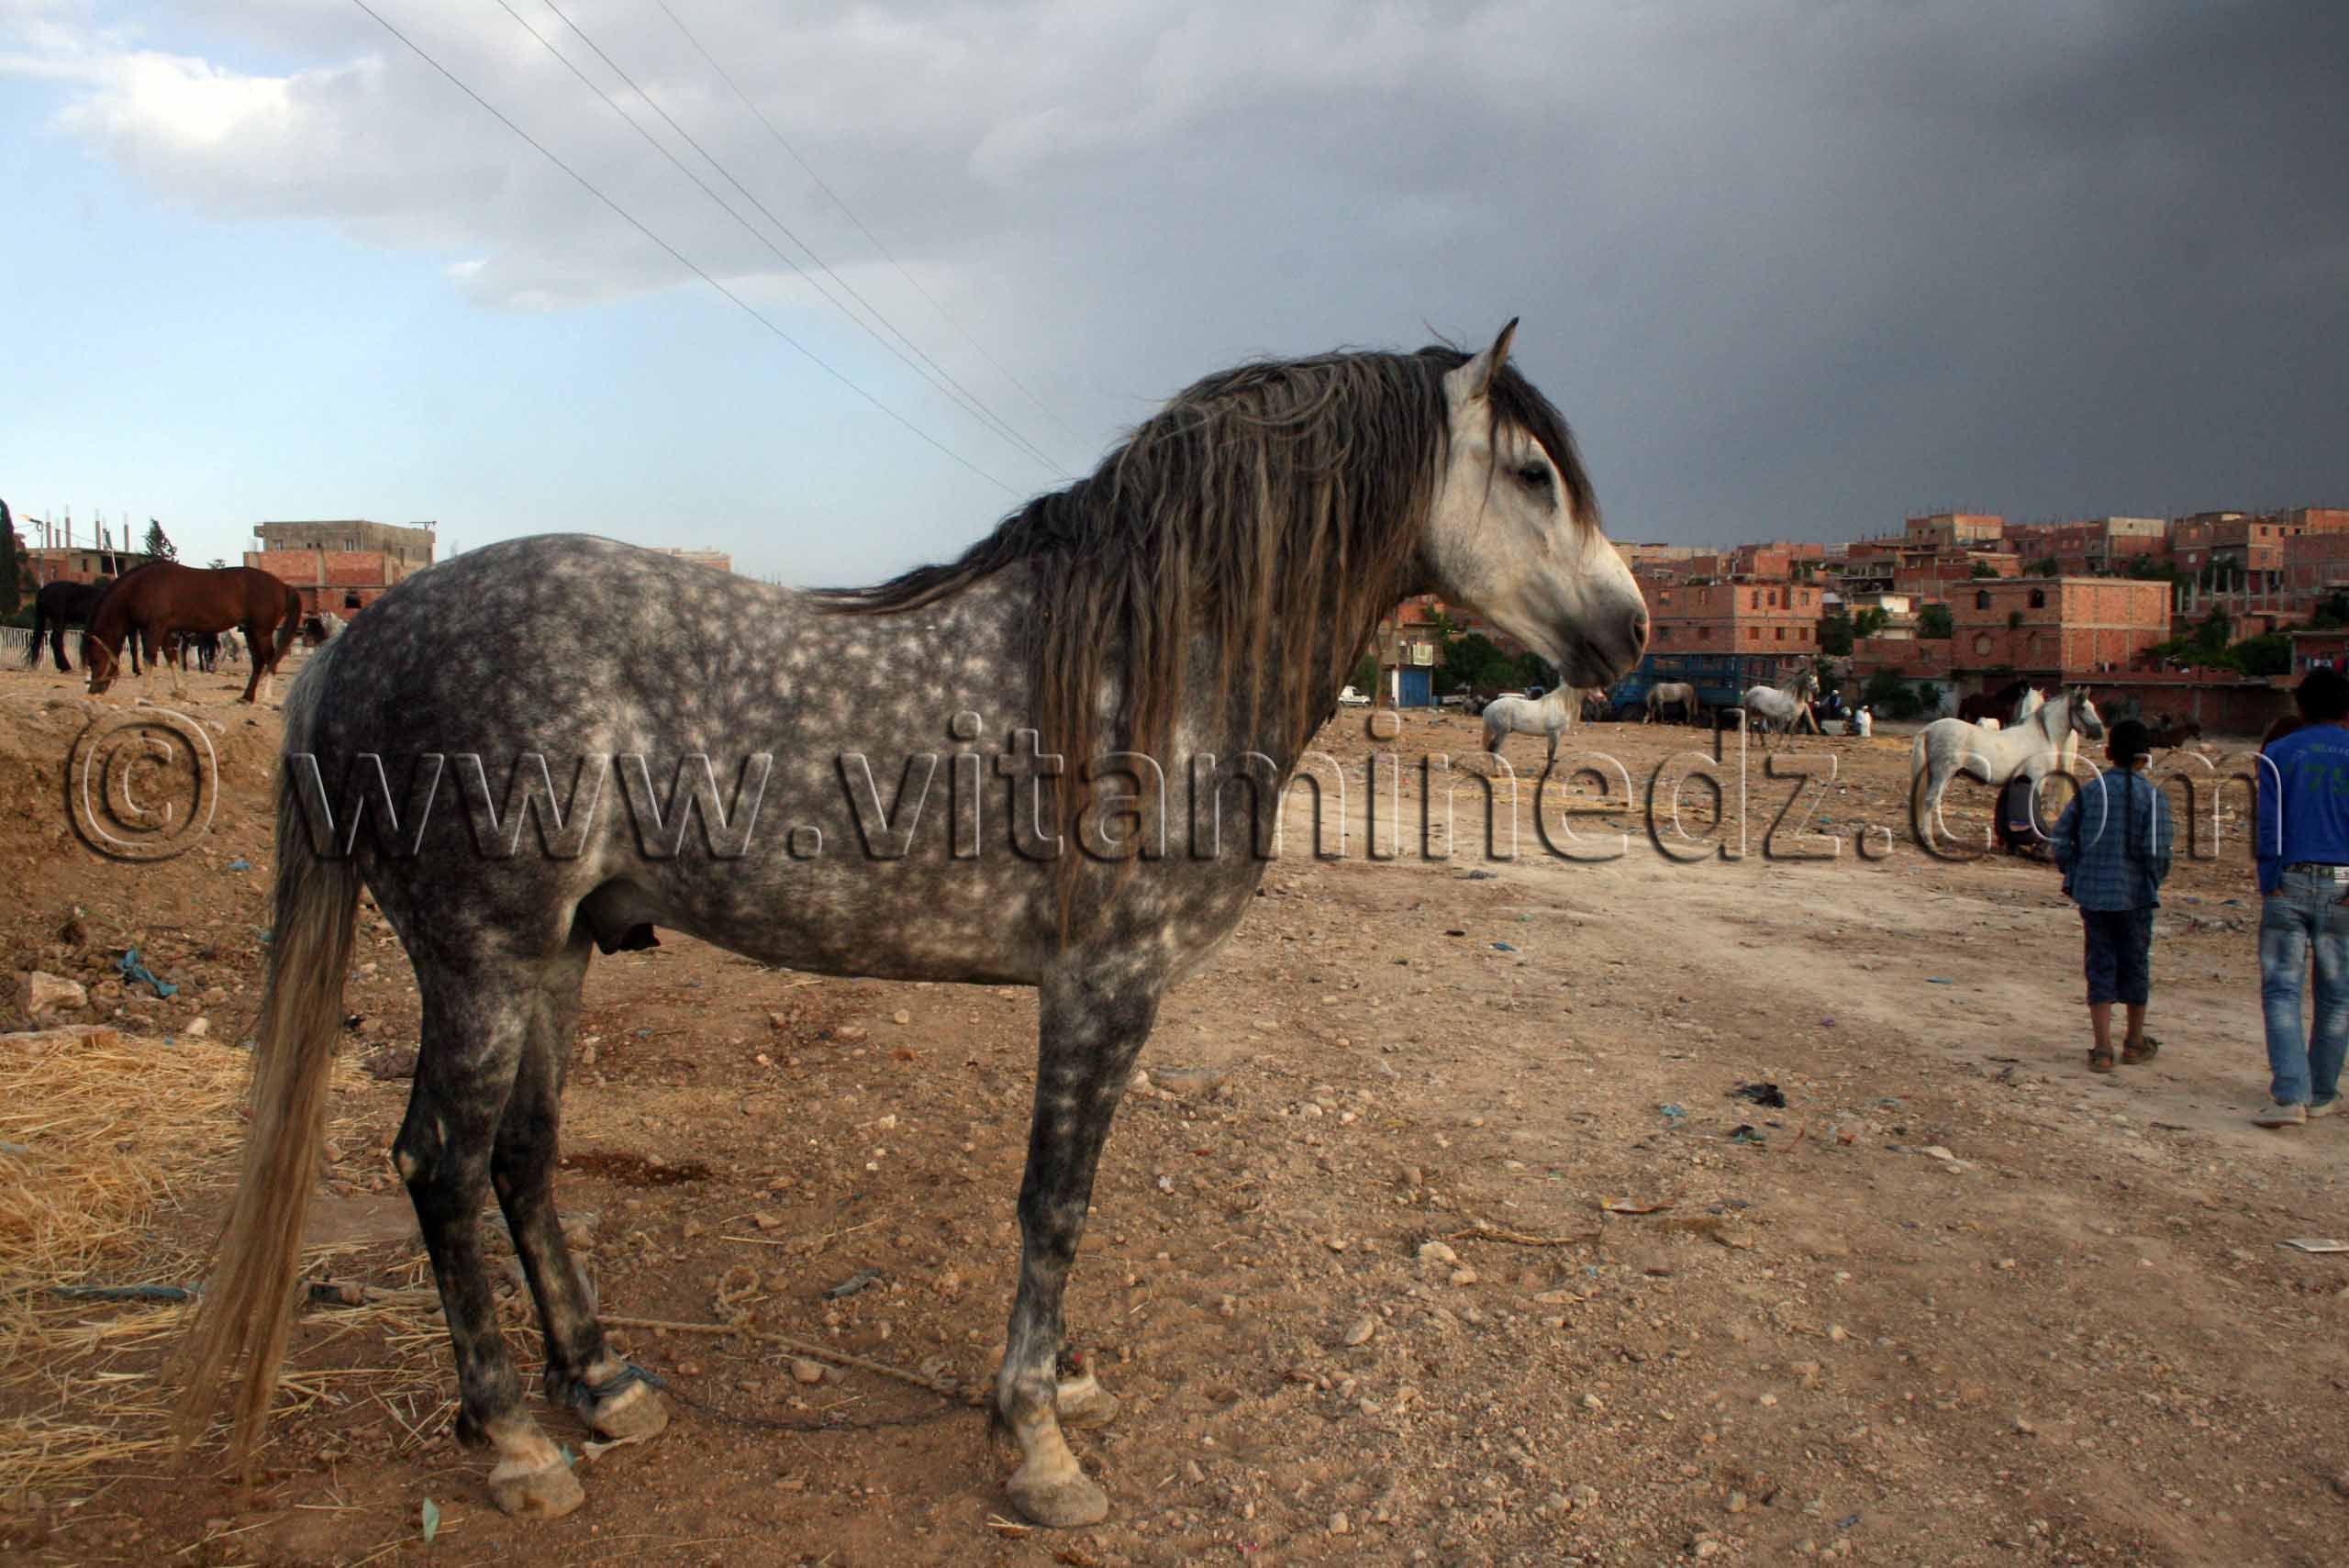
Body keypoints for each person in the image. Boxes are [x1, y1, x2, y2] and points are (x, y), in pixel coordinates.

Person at [2252, 668, 2349, 1127]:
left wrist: (2268, 877)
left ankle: (2290, 1096)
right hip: (2344, 887)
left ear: (2301, 708)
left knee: (2282, 991)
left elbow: (2268, 824)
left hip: (2286, 881)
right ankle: (2324, 1093)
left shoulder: (2277, 753)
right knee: (2336, 996)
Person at [2050, 719, 2172, 1073]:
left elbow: (2060, 838)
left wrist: (2074, 872)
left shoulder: (2089, 792)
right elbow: (2159, 852)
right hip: (2135, 896)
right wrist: (2153, 879)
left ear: (2107, 753)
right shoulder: (2153, 797)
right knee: (2135, 963)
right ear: (2145, 758)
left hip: (2094, 895)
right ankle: (2134, 1042)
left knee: (2099, 963)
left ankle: (2102, 1048)